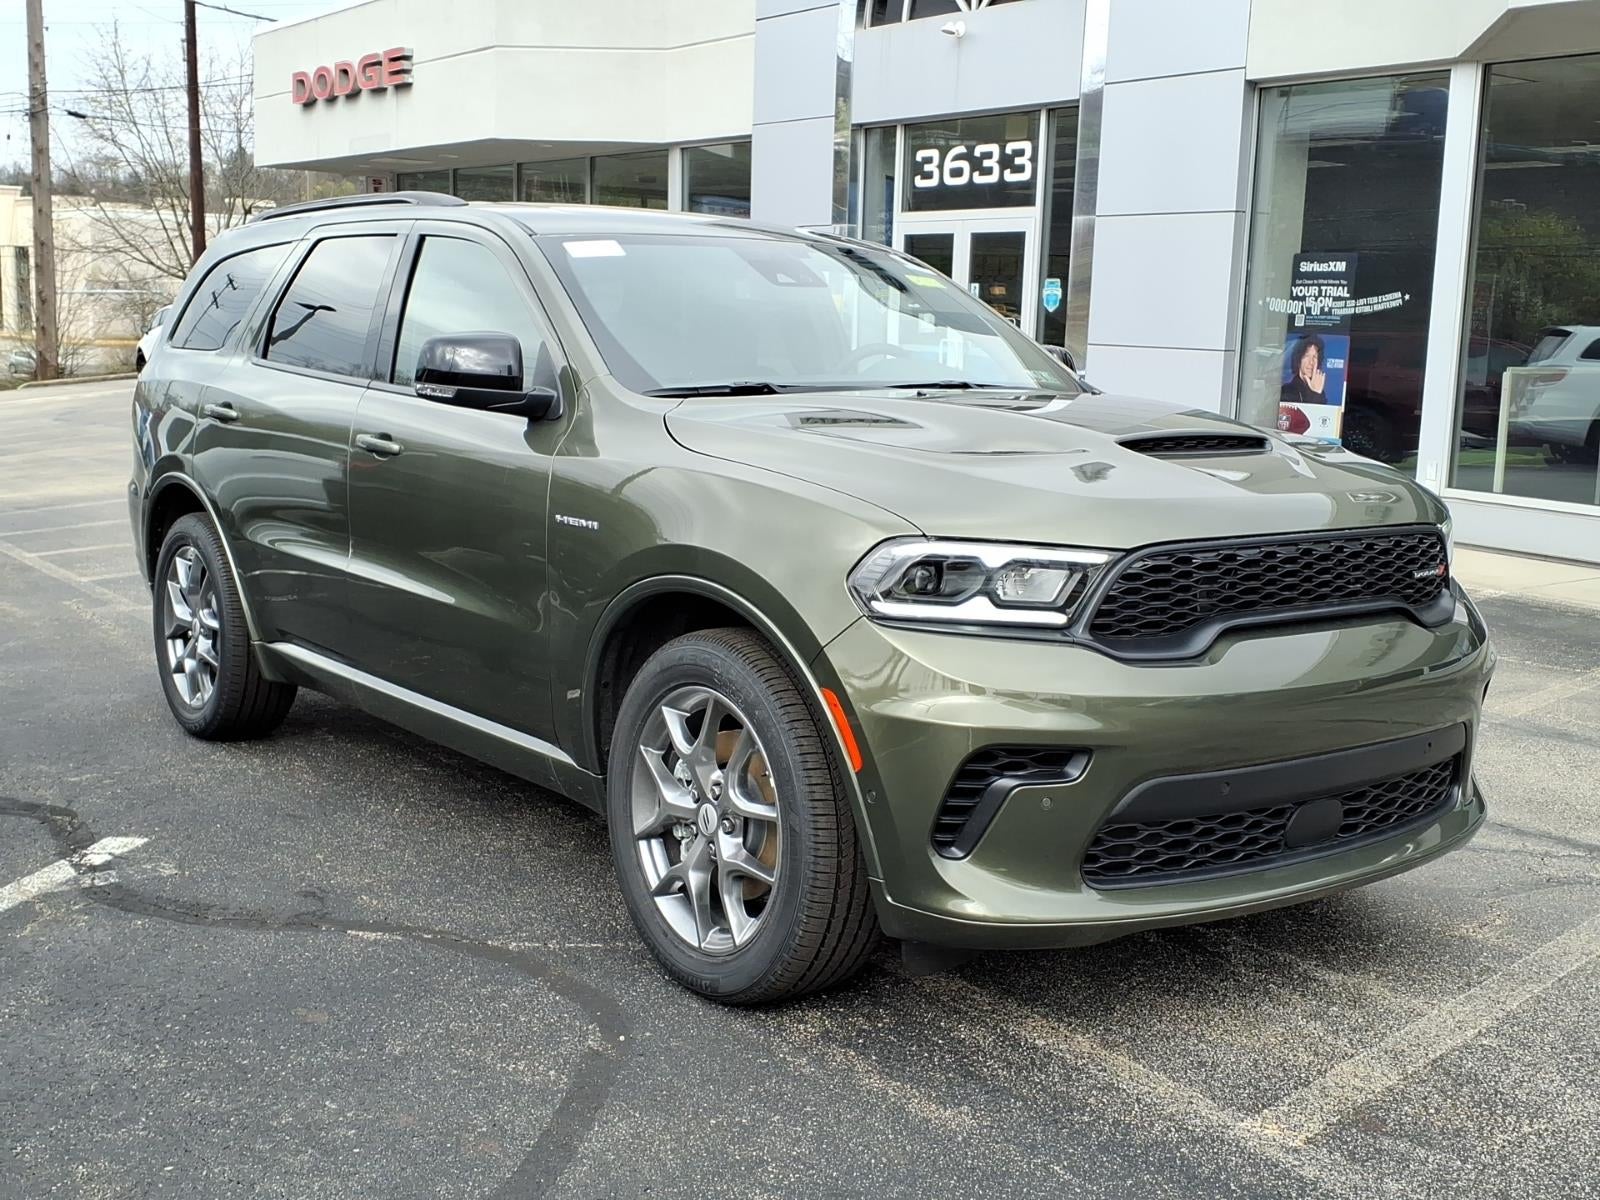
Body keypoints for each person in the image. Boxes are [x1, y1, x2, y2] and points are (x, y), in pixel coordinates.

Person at [1280, 334, 1328, 405]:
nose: (1311, 362)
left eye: (1314, 357)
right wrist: (1315, 394)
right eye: (1307, 356)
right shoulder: (1287, 391)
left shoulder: (1319, 390)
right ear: (1298, 360)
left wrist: (1317, 393)